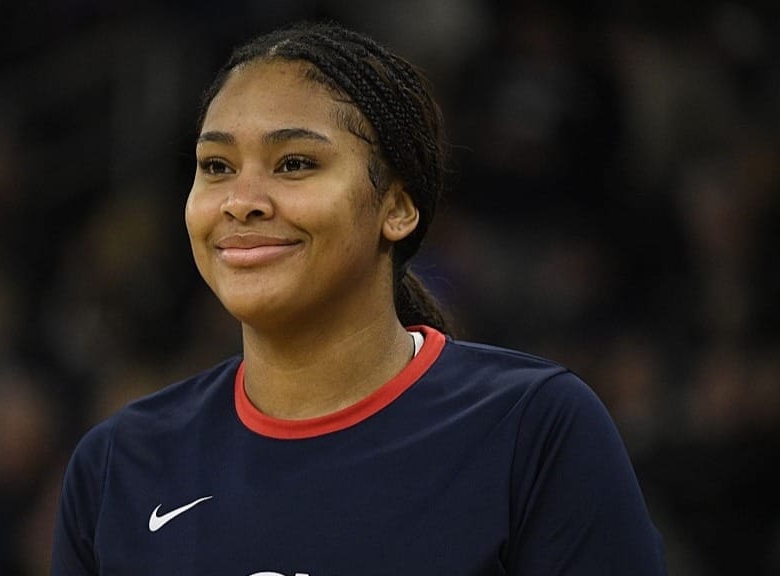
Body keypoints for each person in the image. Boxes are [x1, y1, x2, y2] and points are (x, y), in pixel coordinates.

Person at [51, 21, 666, 575]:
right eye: (216, 166)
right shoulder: (118, 465)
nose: (242, 200)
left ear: (396, 206)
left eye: (293, 163)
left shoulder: (534, 428)